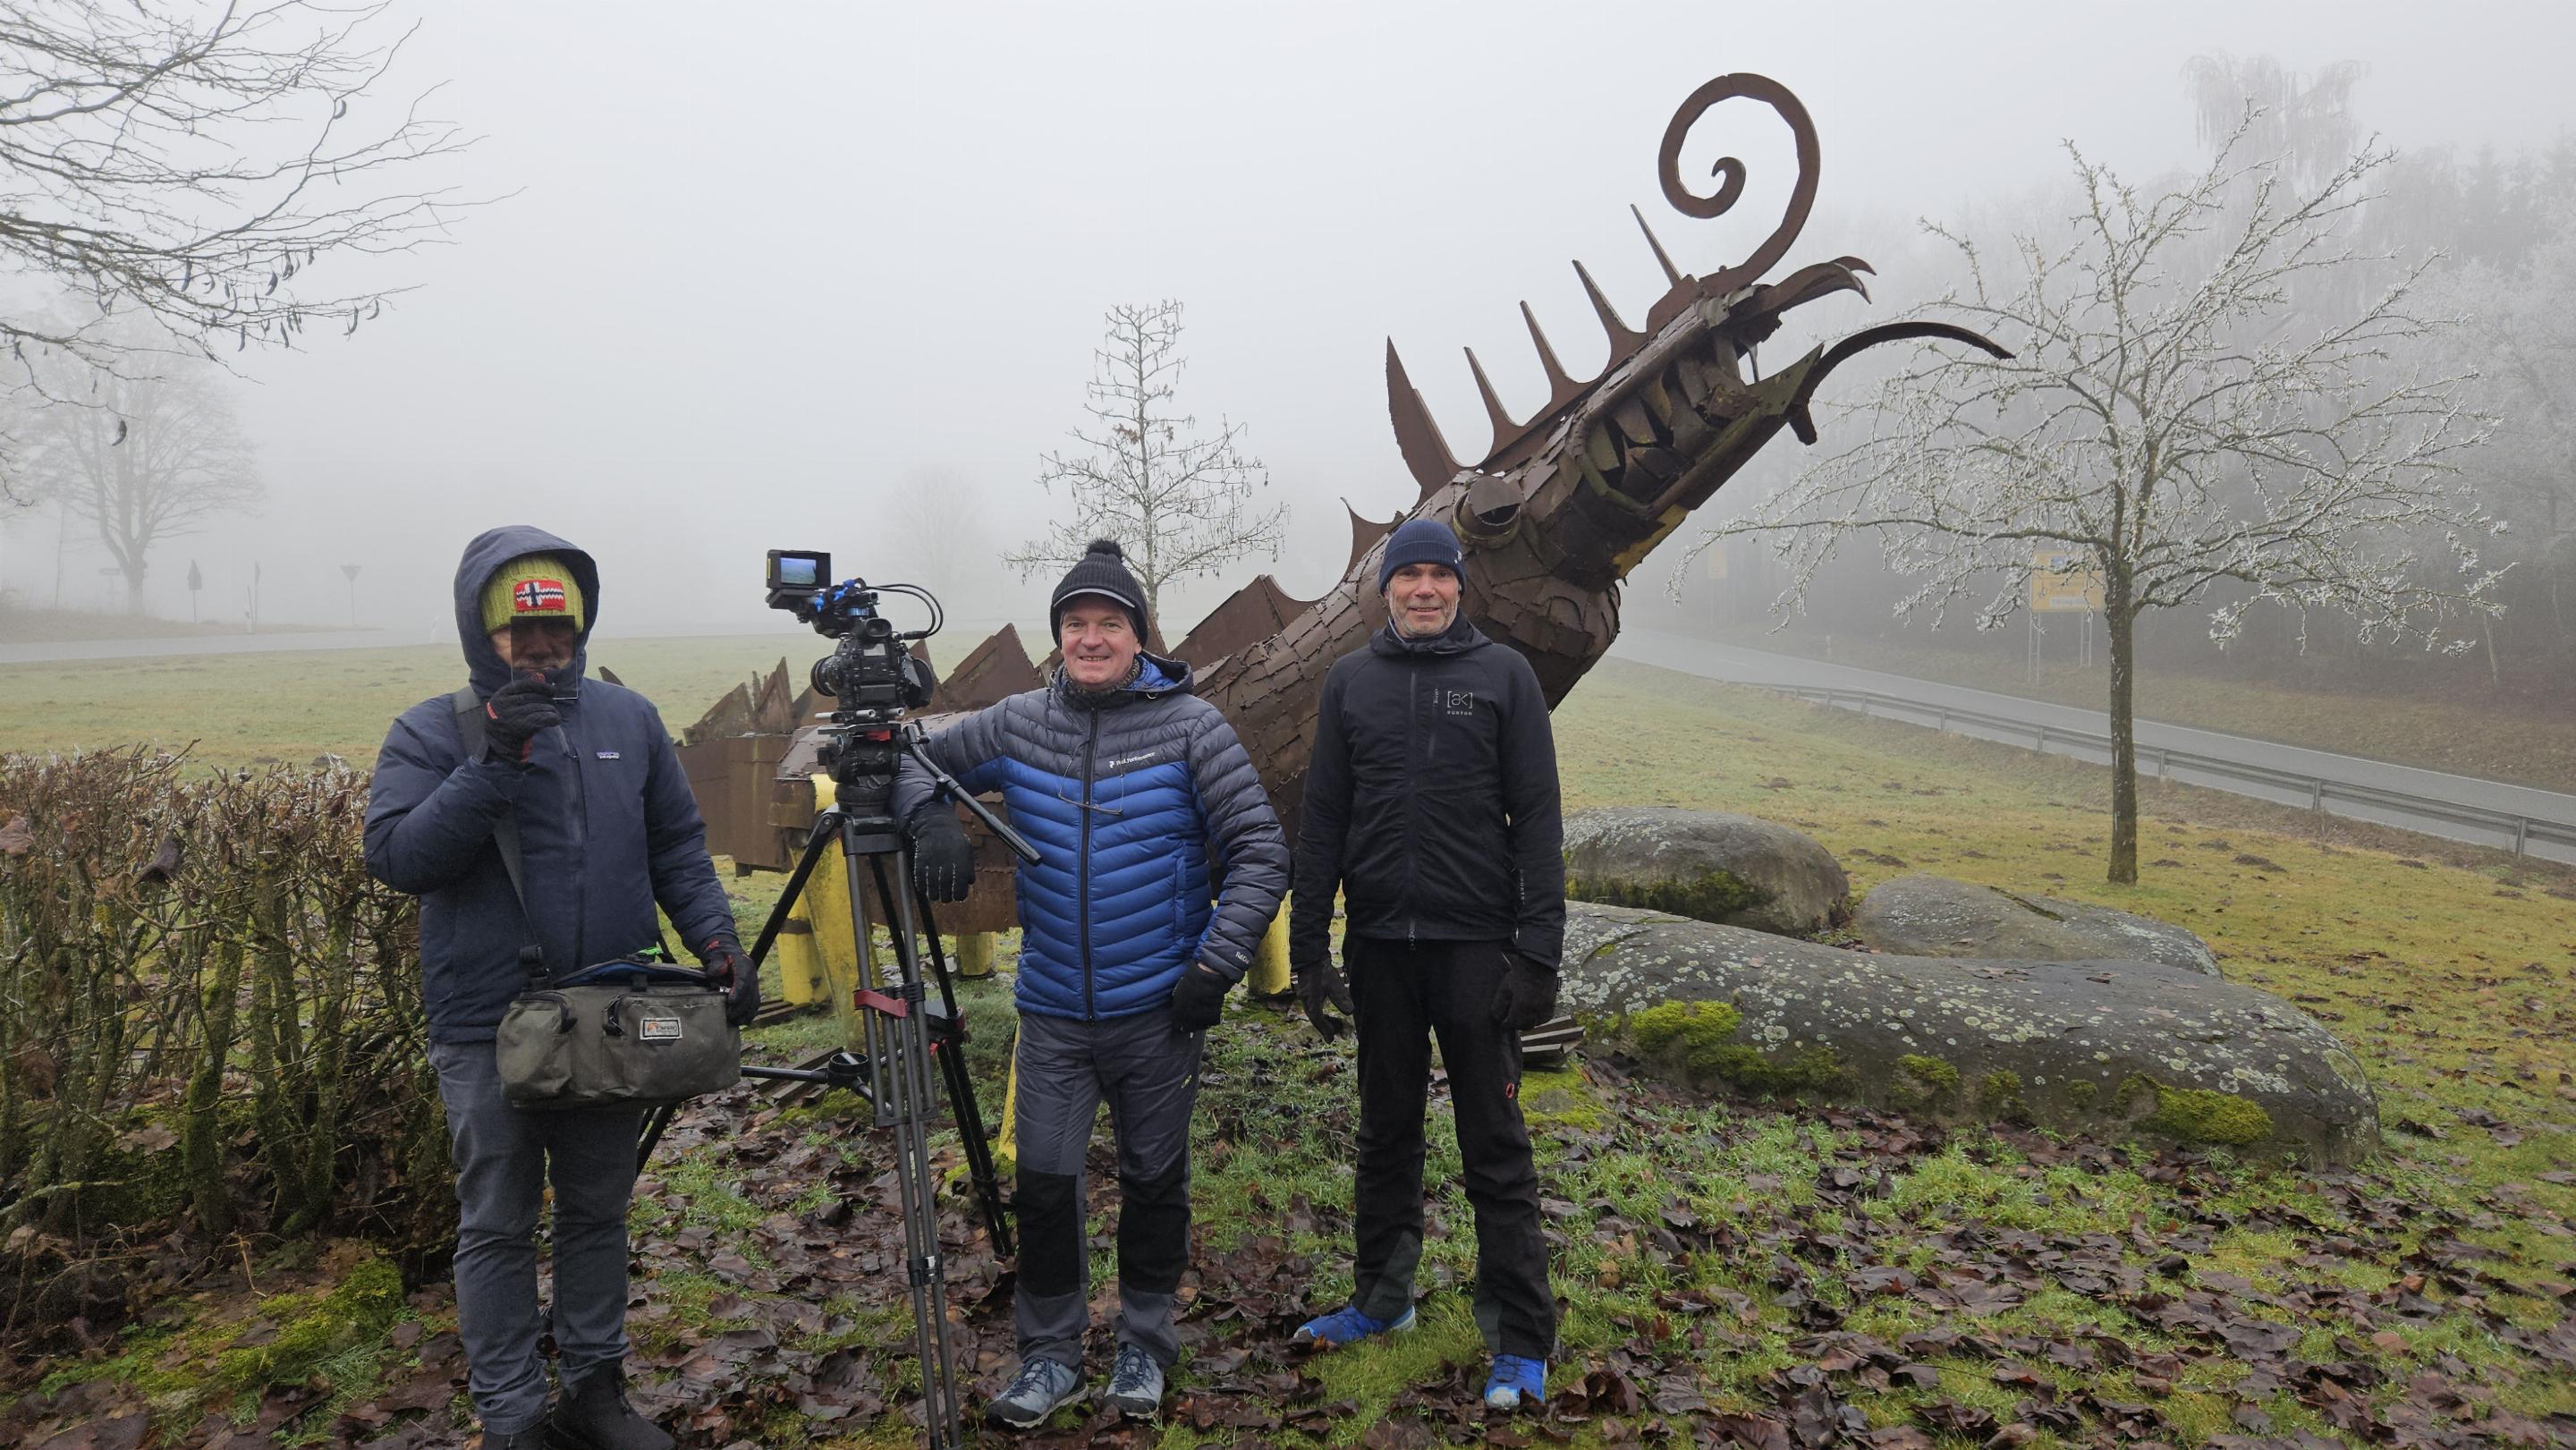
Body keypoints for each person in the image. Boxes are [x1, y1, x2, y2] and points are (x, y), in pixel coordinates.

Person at [365, 527, 756, 1450]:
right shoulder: (432, 730)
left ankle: (594, 1393)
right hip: (485, 1022)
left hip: (610, 1014)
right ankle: (512, 1419)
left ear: (582, 627)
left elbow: (676, 846)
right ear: (482, 631)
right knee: (498, 1222)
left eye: (560, 629)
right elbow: (399, 857)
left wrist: (716, 938)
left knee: (596, 1210)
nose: (543, 648)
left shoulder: (629, 719)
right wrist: (494, 760)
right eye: (520, 632)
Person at [897, 538, 1288, 1429]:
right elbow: (913, 764)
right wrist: (934, 819)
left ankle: (1145, 1344)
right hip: (1052, 1015)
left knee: (1154, 1183)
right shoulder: (1019, 723)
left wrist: (1215, 963)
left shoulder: (1192, 727)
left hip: (1159, 1012)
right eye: (1075, 623)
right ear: (1058, 636)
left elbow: (1262, 850)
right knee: (1043, 1184)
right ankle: (1050, 1356)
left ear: (1139, 635)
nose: (1090, 637)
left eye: (1108, 622)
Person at [1285, 517, 1565, 1412]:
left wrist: (1539, 955)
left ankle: (1520, 1337)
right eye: (1407, 577)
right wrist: (1308, 947)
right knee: (1385, 1133)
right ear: (1386, 590)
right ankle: (1382, 1298)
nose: (1424, 590)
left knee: (1494, 1143)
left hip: (1477, 951)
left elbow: (1539, 821)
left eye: (1439, 576)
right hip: (1379, 948)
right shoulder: (1350, 681)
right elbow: (1323, 819)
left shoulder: (1504, 677)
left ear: (1460, 586)